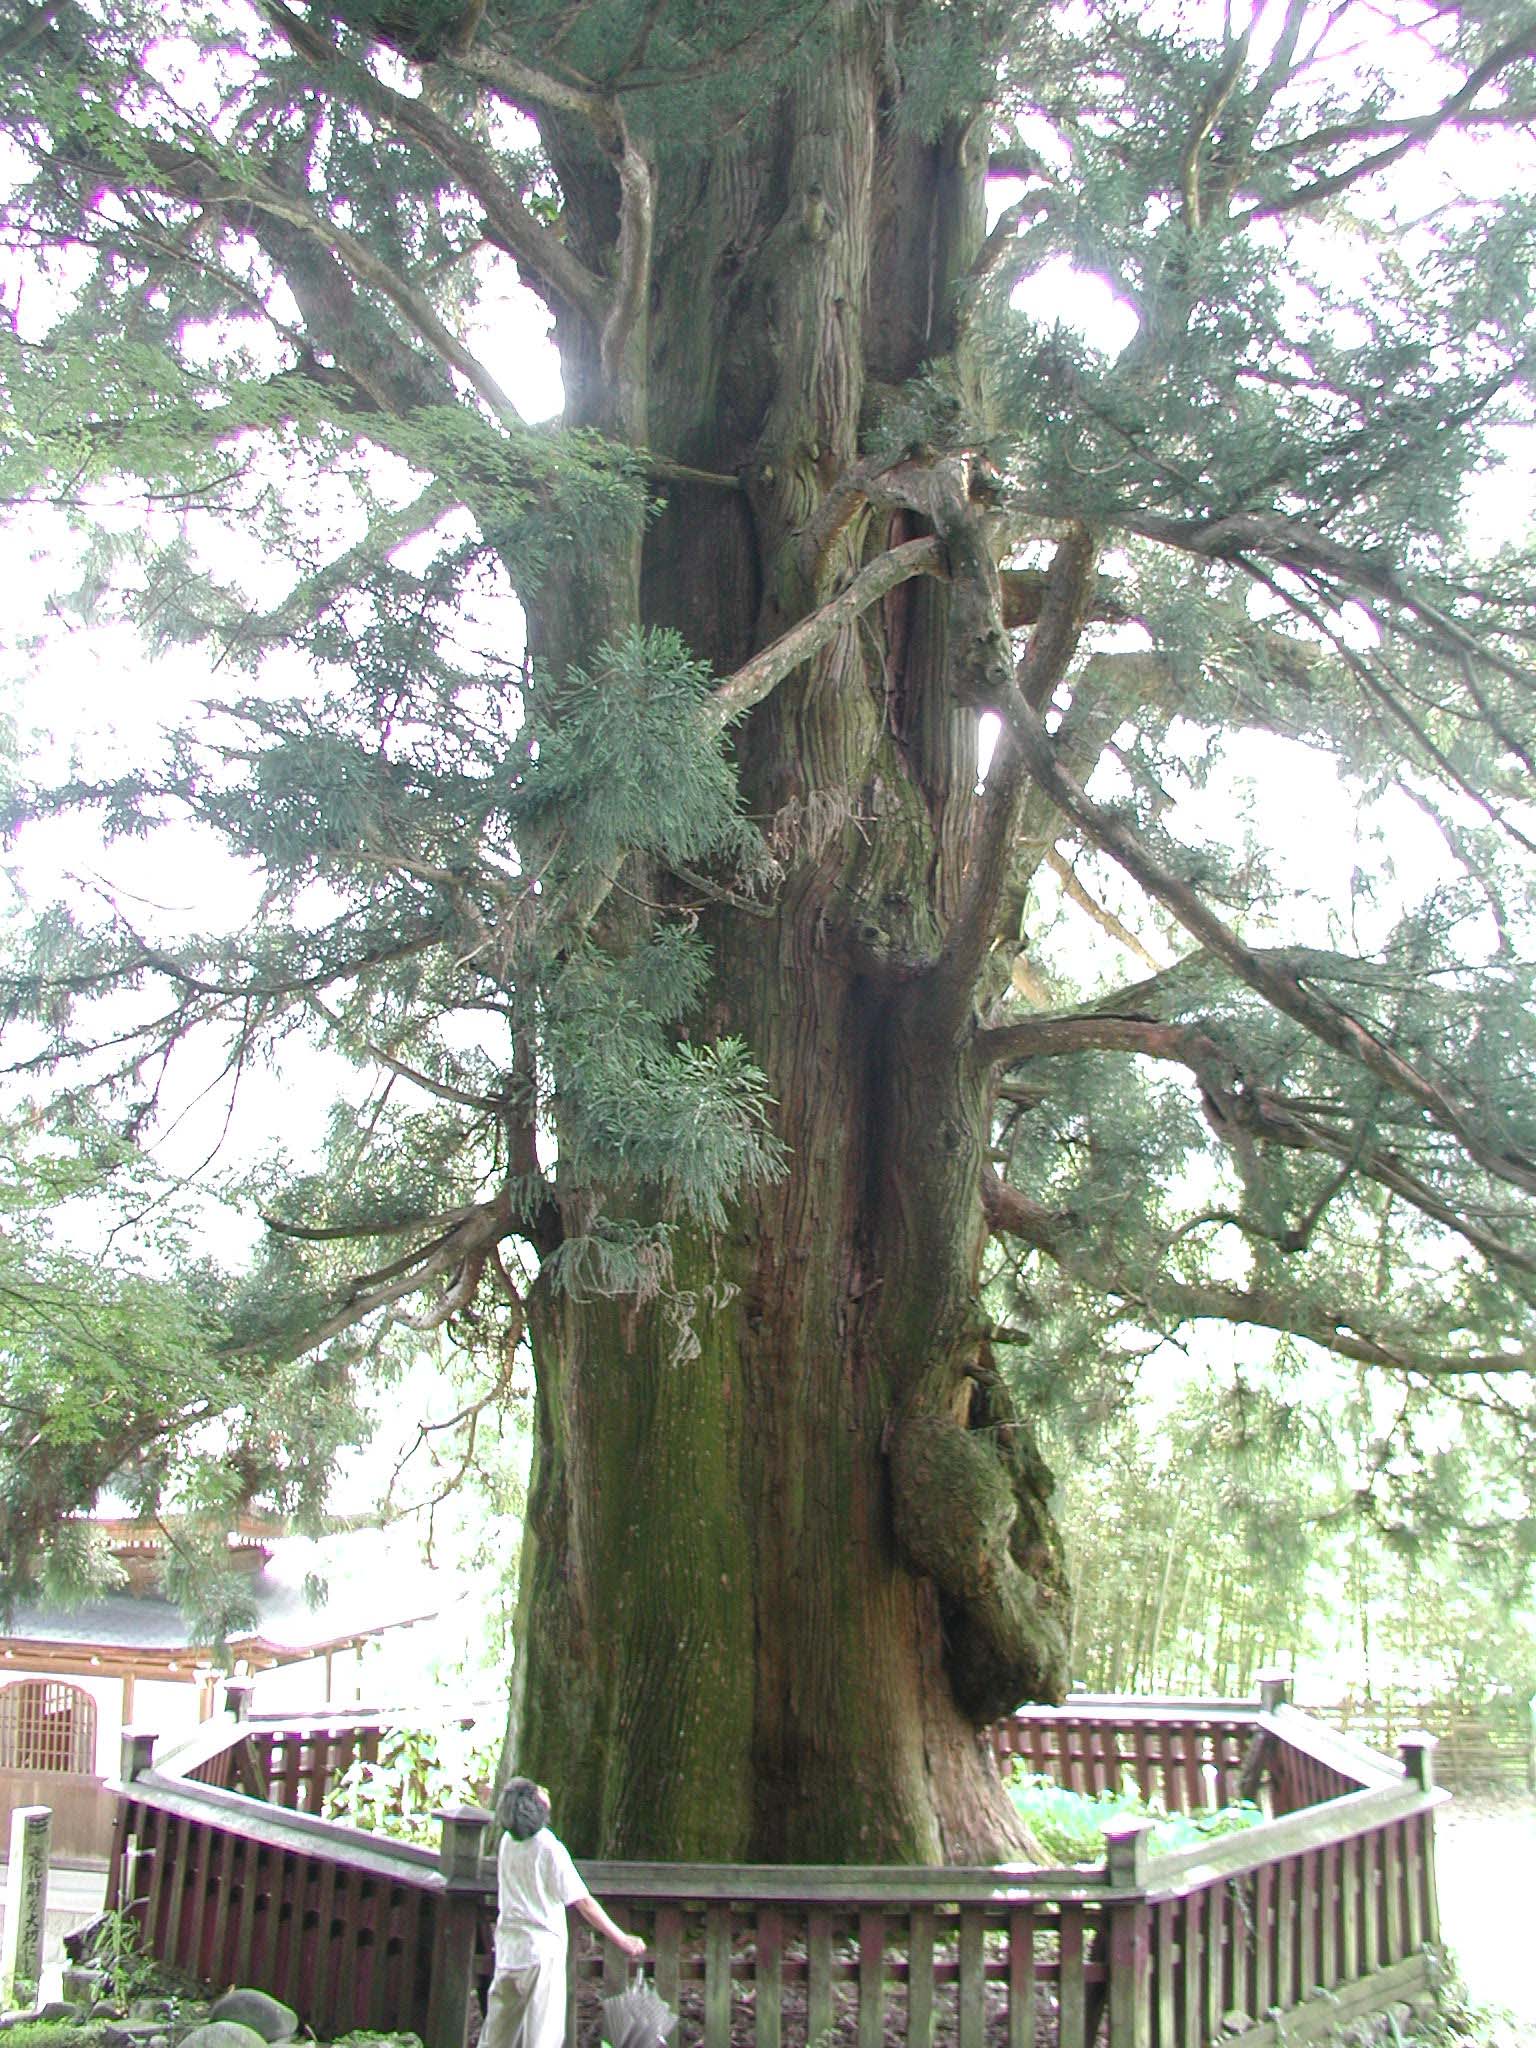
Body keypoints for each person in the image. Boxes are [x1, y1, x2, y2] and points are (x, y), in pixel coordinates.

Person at [480, 1777, 645, 2048]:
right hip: (541, 1953)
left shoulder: (507, 1843)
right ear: (534, 1806)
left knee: (497, 2038)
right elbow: (583, 1902)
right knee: (543, 2038)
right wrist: (621, 1939)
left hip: (509, 1950)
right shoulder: (548, 1847)